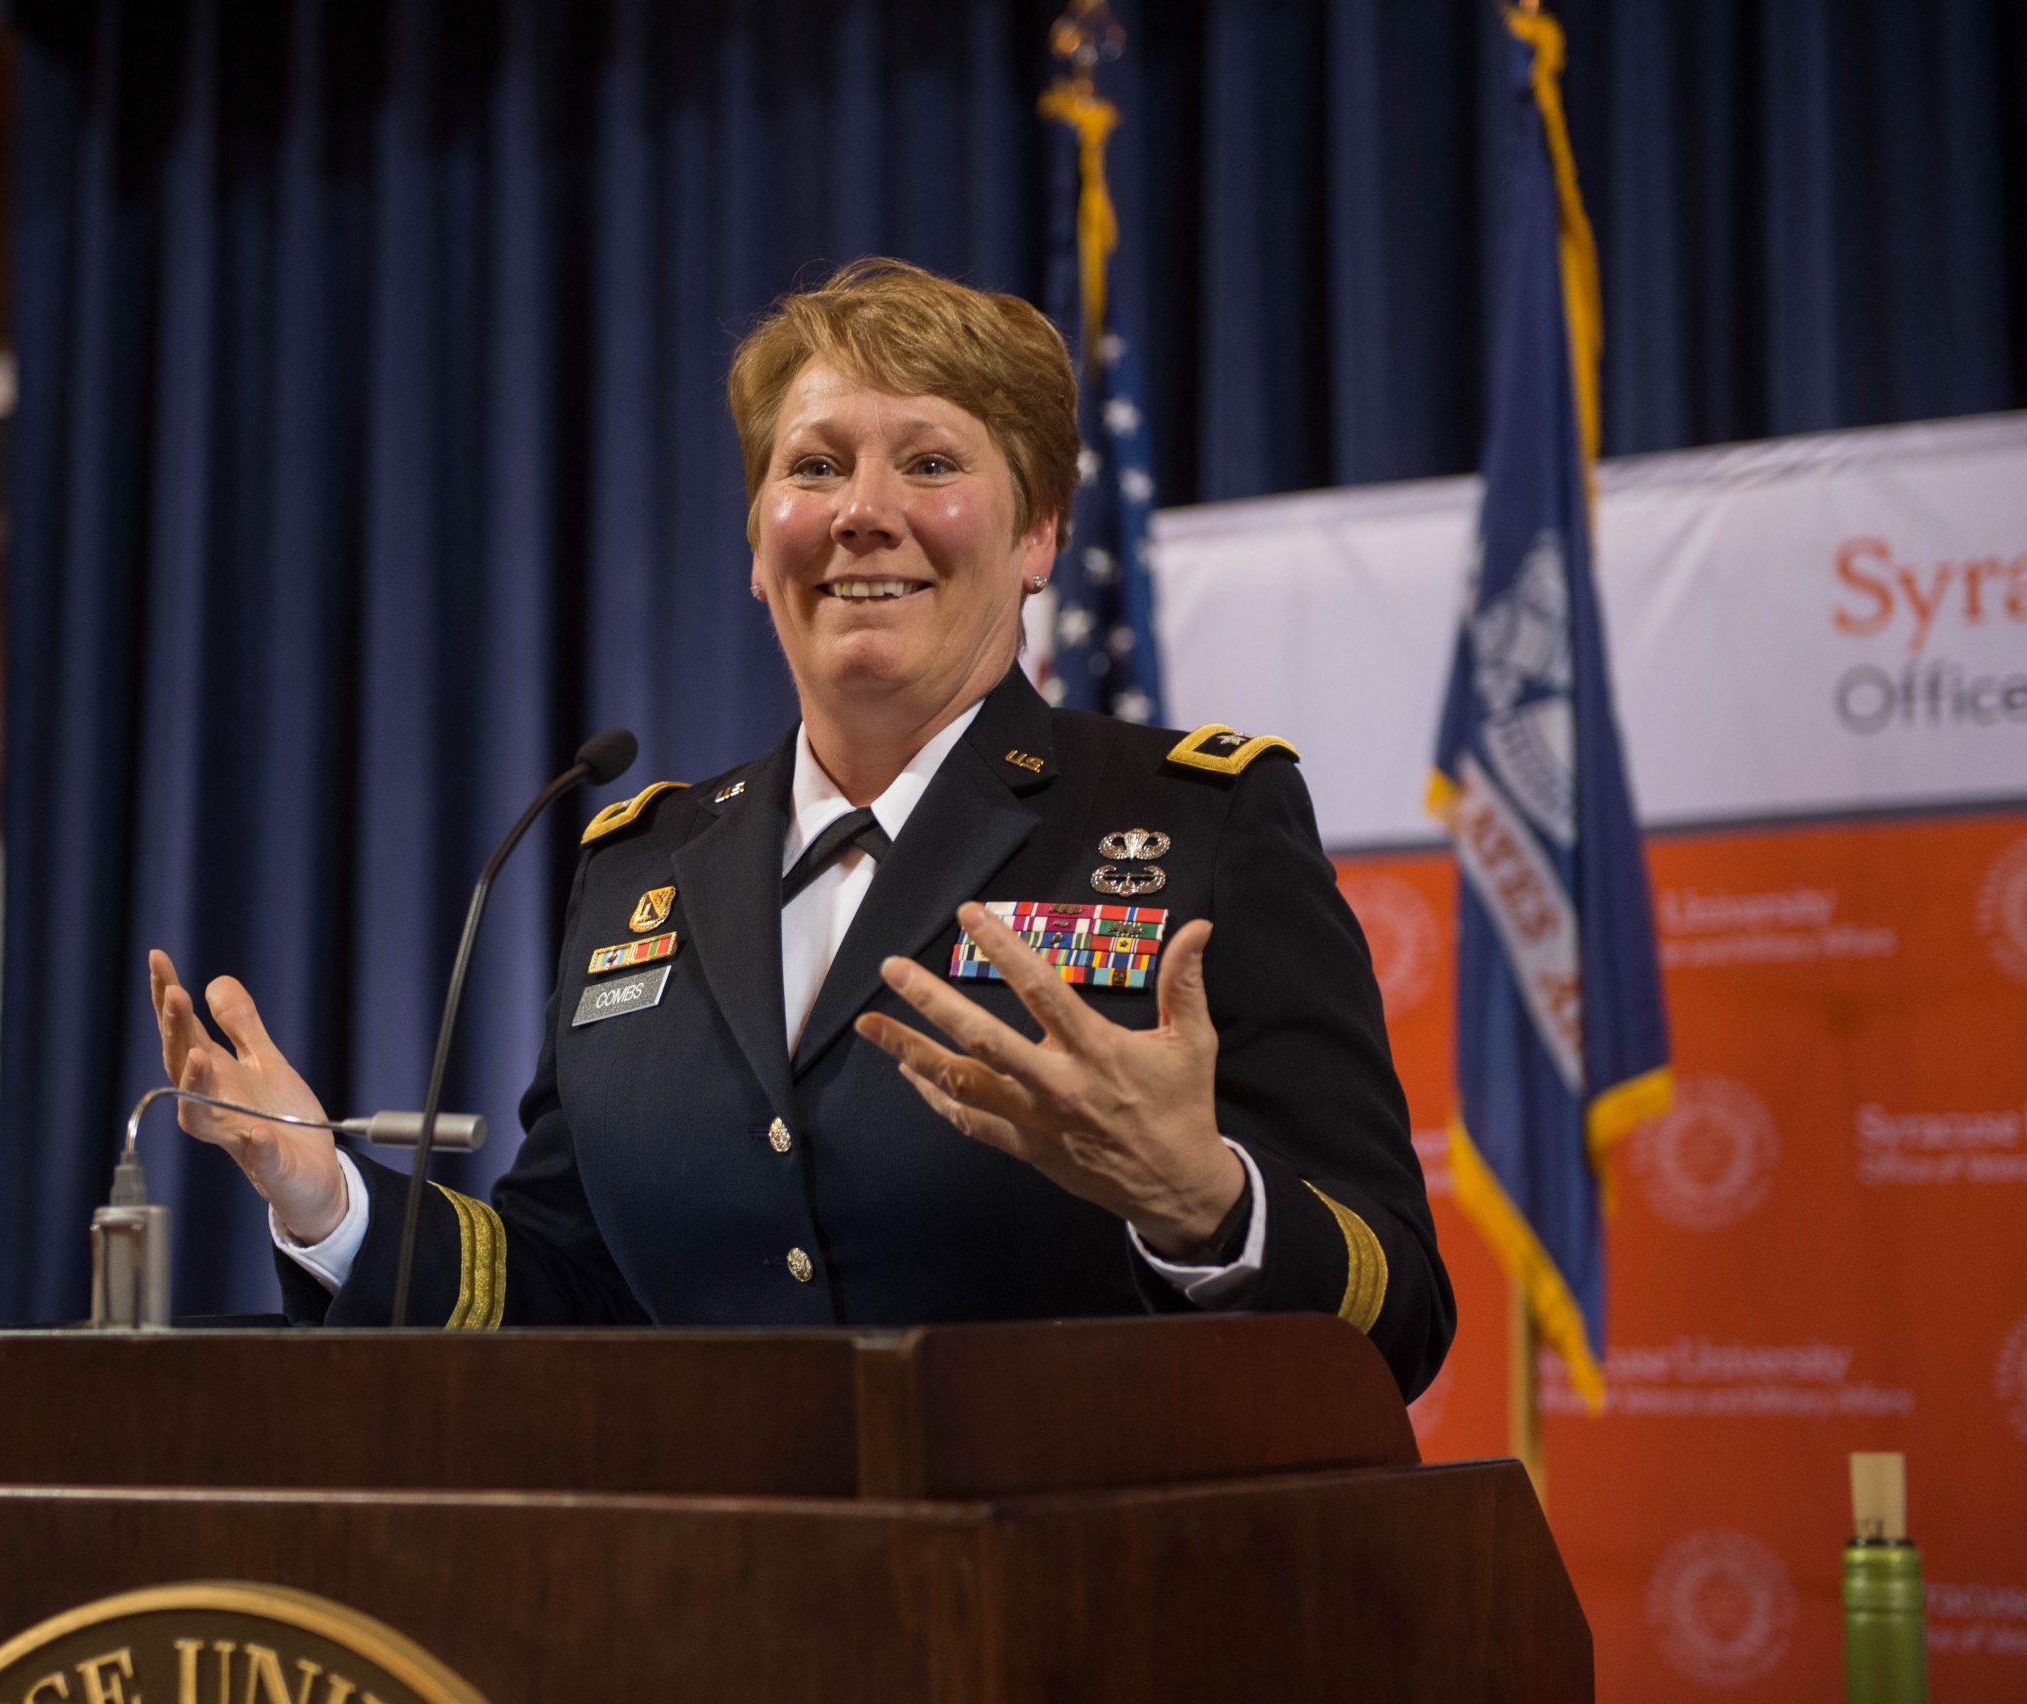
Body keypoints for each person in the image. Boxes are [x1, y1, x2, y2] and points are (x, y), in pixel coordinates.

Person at [149, 258, 1452, 1398]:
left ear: (1041, 534)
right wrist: (325, 1200)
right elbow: (563, 1293)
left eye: (933, 462)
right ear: (759, 538)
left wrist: (1207, 1207)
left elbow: (1400, 1315)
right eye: (814, 466)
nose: (861, 511)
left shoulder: (1195, 825)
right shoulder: (638, 866)